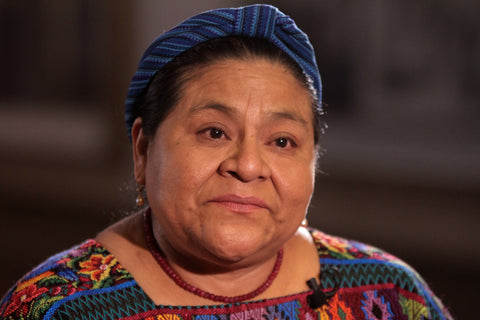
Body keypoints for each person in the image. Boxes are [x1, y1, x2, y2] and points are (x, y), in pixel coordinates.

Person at [0, 4, 452, 320]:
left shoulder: (387, 290)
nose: (248, 165)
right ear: (143, 150)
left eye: (281, 141)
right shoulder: (60, 306)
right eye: (214, 132)